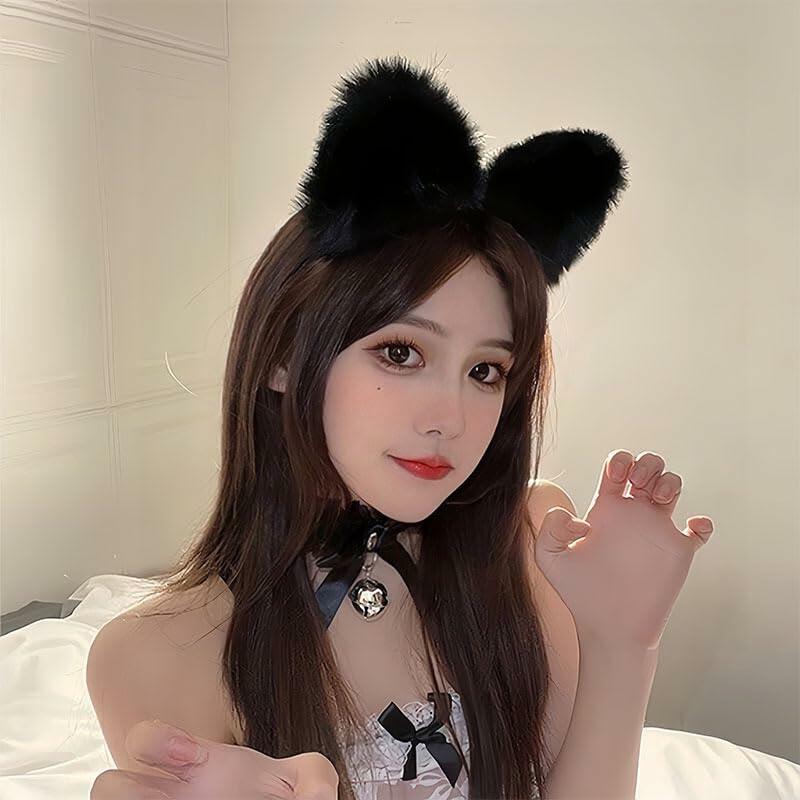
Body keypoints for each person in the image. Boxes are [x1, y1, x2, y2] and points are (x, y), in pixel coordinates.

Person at [88, 54, 710, 800]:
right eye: (401, 352)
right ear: (283, 355)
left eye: (486, 370)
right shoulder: (156, 653)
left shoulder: (531, 545)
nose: (452, 417)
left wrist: (624, 646)